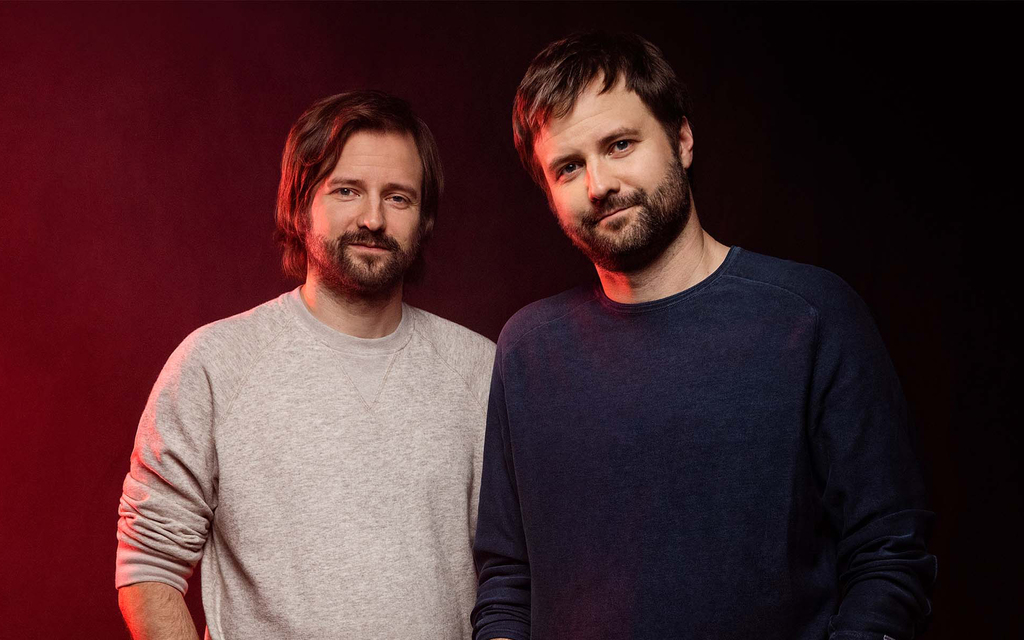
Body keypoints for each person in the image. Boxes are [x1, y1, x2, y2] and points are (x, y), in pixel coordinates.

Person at [472, 32, 936, 640]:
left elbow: (889, 555)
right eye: (568, 166)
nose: (598, 184)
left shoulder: (810, 316)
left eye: (619, 145)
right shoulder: (528, 348)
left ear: (682, 140)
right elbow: (507, 578)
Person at [116, 90, 495, 639]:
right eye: (347, 190)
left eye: (399, 198)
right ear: (299, 205)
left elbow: (517, 572)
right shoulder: (216, 364)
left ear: (425, 219)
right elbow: (148, 563)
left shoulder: (481, 372)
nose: (373, 218)